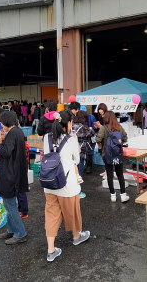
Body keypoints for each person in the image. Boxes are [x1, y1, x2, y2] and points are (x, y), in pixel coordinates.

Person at [43, 111, 90, 262]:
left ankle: (51, 250)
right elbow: (76, 159)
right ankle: (76, 236)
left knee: (51, 215)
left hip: (49, 183)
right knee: (72, 212)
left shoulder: (46, 137)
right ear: (68, 123)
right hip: (66, 184)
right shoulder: (71, 139)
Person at [0, 111, 28, 245]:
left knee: (10, 206)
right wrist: (4, 139)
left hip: (10, 174)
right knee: (9, 205)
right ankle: (12, 229)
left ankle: (20, 233)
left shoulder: (13, 133)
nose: (1, 124)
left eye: (1, 122)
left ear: (7, 121)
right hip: (15, 172)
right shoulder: (17, 132)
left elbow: (6, 152)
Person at [96, 111, 129, 203]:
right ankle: (123, 195)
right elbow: (125, 138)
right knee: (120, 174)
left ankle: (113, 195)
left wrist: (101, 144)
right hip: (118, 154)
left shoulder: (104, 128)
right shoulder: (119, 127)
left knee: (109, 175)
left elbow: (98, 139)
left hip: (107, 154)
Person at [72, 111, 95, 199]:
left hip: (71, 153)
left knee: (72, 171)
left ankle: (71, 190)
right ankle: (78, 192)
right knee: (79, 172)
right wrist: (90, 128)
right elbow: (92, 133)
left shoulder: (72, 126)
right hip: (80, 153)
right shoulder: (83, 128)